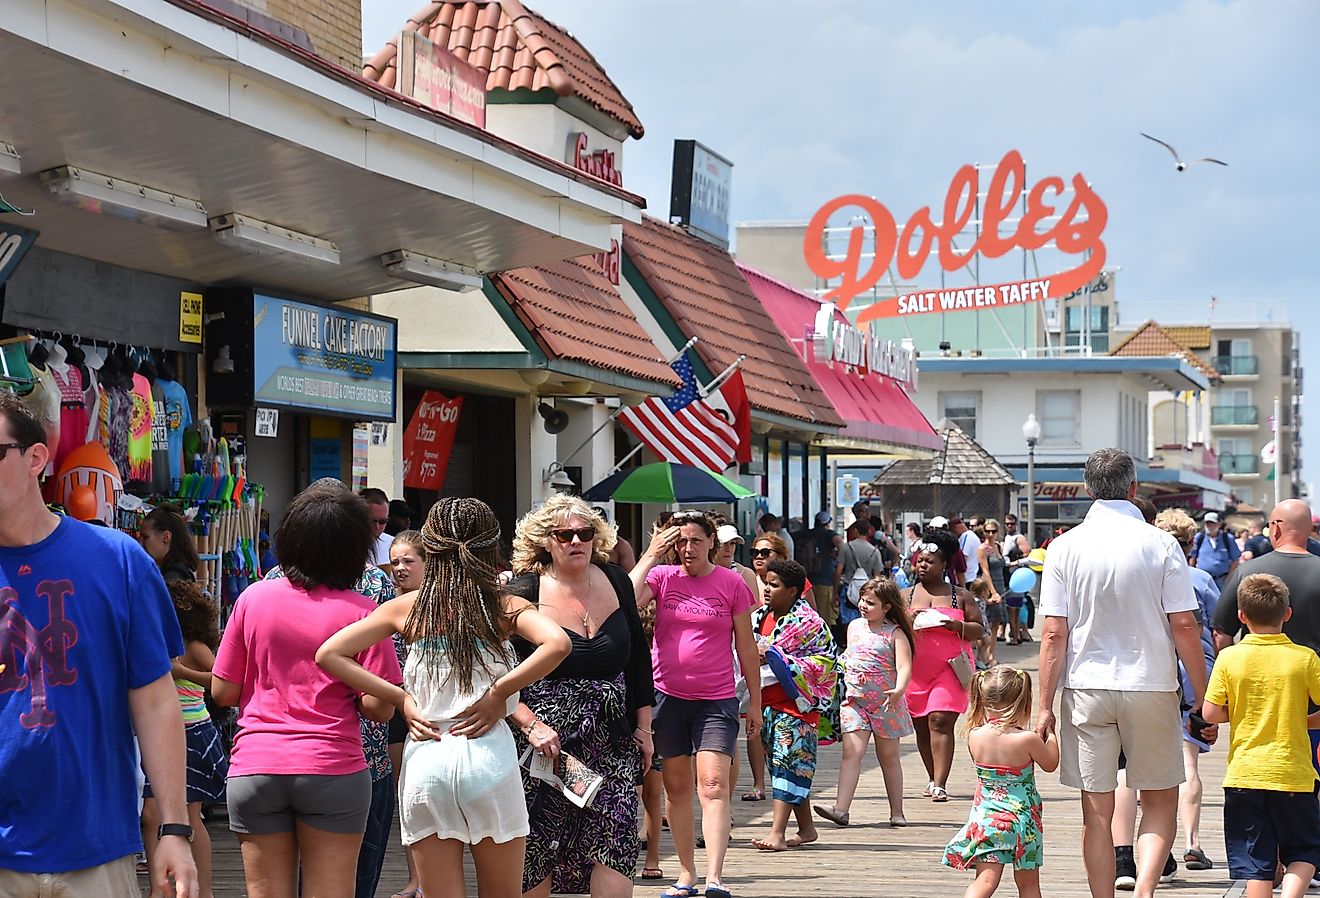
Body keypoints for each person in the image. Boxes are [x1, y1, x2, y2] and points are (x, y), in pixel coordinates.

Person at [316, 497, 571, 898]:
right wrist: (499, 692)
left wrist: (400, 698)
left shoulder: (407, 607)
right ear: (490, 546)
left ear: (431, 549)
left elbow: (329, 653)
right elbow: (557, 643)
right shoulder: (503, 604)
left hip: (427, 757)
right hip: (488, 758)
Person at [0, 391, 197, 898]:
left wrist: (174, 827)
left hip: (97, 846)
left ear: (36, 458)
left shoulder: (119, 560)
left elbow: (155, 702)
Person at [1035, 448, 1214, 898]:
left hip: (1086, 686)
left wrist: (1043, 705)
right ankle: (1146, 892)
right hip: (1151, 683)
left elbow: (1054, 633)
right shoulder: (1161, 543)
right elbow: (1185, 625)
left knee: (1096, 812)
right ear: (1134, 488)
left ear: (1087, 489)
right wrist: (1203, 692)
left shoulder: (1065, 546)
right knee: (1158, 799)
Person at [211, 480, 403, 898]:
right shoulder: (365, 613)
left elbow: (223, 692)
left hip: (255, 766)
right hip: (332, 767)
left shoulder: (252, 599)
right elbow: (378, 709)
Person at [502, 496, 653, 897]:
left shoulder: (617, 580)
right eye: (564, 534)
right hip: (545, 746)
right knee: (539, 847)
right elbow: (496, 676)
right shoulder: (523, 591)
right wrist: (530, 725)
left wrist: (645, 728)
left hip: (612, 738)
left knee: (617, 840)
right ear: (545, 541)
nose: (576, 541)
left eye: (584, 533)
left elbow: (638, 659)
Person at [630, 510, 761, 898]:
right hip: (665, 697)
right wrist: (652, 554)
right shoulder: (662, 577)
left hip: (716, 699)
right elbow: (625, 600)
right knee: (677, 788)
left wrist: (753, 700)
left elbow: (747, 646)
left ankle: (715, 877)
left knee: (714, 784)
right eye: (681, 541)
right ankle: (686, 873)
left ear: (712, 544)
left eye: (696, 540)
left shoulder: (731, 583)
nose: (688, 548)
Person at [1201, 573, 1320, 898]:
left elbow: (1210, 713)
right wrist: (1302, 720)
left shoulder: (1229, 657)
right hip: (1293, 776)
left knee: (1257, 866)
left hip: (1244, 776)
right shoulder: (1304, 658)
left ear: (1241, 616)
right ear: (1287, 613)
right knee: (1304, 851)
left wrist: (1240, 712)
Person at [1211, 498, 1320, 784]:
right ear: (1309, 529)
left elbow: (1221, 634)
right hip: (1313, 704)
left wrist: (1229, 679)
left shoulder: (1248, 572)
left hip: (1255, 704)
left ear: (1276, 528)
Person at [141, 580, 227, 898]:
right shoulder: (153, 640)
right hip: (161, 735)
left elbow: (224, 678)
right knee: (152, 815)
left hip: (192, 732)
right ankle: (159, 889)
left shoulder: (191, 644)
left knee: (187, 815)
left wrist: (182, 672)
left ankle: (203, 891)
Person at [942, 666, 1059, 898]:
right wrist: (1052, 735)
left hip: (986, 819)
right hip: (1023, 822)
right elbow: (1050, 763)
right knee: (1028, 885)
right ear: (1022, 701)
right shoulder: (1027, 739)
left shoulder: (975, 735)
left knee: (985, 881)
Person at [749, 559, 837, 852]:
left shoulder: (810, 623)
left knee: (788, 765)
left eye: (775, 585)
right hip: (766, 705)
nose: (768, 590)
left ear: (793, 591)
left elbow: (826, 663)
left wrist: (777, 657)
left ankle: (777, 832)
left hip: (797, 707)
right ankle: (807, 828)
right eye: (767, 583)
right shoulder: (760, 617)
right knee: (786, 767)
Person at [814, 576, 914, 828]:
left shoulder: (895, 633)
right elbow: (850, 654)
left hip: (886, 702)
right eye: (862, 600)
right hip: (854, 700)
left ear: (887, 607)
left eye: (871, 602)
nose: (863, 605)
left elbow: (904, 666)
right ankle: (841, 809)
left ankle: (897, 812)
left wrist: (899, 689)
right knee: (851, 753)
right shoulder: (854, 626)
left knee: (888, 757)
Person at [1150, 508, 1219, 874]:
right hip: (1197, 671)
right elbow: (1220, 632)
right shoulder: (1203, 578)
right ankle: (1192, 842)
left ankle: (1156, 845)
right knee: (1189, 761)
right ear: (1191, 543)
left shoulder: (1147, 576)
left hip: (1155, 670)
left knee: (1149, 763)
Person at [907, 526, 985, 802]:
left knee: (939, 720)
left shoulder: (959, 595)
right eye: (920, 561)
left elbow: (979, 629)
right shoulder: (905, 594)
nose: (923, 565)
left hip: (949, 668)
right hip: (913, 671)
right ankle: (931, 775)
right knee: (921, 726)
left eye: (929, 561)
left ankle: (940, 782)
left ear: (943, 565)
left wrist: (956, 625)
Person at [386, 529, 425, 898]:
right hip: (395, 705)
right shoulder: (388, 604)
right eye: (394, 561)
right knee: (405, 794)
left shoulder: (437, 604)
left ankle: (429, 879)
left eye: (408, 561)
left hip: (430, 708)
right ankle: (416, 879)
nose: (399, 568)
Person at [742, 532, 792, 802]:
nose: (759, 558)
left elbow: (808, 622)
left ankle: (780, 786)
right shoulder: (747, 581)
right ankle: (759, 782)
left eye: (766, 553)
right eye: (755, 553)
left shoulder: (794, 582)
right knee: (753, 725)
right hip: (754, 669)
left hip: (782, 676)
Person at [837, 520, 886, 632]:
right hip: (868, 591)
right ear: (869, 532)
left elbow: (838, 571)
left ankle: (849, 640)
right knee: (865, 619)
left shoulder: (846, 547)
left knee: (847, 620)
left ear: (855, 530)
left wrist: (835, 592)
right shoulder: (875, 551)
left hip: (848, 589)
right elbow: (877, 576)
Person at [140, 505, 200, 582]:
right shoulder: (176, 572)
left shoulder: (172, 579)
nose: (140, 543)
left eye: (145, 537)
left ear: (166, 537)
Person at [799, 510, 841, 621]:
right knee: (824, 617)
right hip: (825, 580)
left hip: (807, 580)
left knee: (809, 616)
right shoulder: (828, 534)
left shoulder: (805, 533)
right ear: (826, 523)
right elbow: (839, 542)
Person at [1188, 512, 1240, 590]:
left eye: (1212, 523)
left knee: (1221, 602)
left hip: (1221, 580)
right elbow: (1193, 558)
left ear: (1219, 524)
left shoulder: (1227, 538)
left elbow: (1235, 560)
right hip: (1202, 579)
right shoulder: (1199, 537)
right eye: (1207, 523)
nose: (1209, 526)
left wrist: (1228, 578)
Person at [359, 486, 394, 570]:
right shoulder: (342, 544)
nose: (377, 527)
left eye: (382, 522)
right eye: (372, 521)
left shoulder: (393, 545)